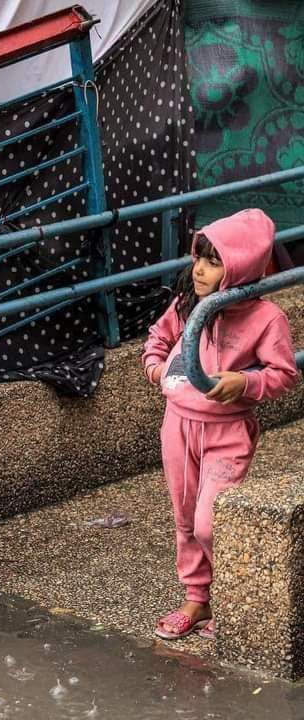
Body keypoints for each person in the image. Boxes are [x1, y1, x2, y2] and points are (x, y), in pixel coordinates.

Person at [143, 209, 298, 640]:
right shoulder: (186, 305)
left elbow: (283, 374)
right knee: (185, 517)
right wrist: (156, 368)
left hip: (226, 431)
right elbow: (157, 338)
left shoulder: (267, 319)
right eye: (198, 258)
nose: (199, 269)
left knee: (212, 521)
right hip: (178, 424)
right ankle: (196, 598)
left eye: (214, 262)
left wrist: (244, 382)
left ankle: (232, 595)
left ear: (242, 267)